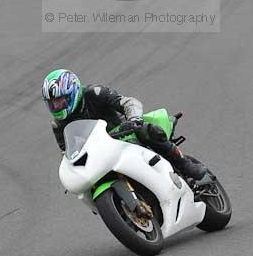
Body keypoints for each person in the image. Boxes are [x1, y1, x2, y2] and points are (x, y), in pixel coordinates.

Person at [42, 69, 210, 184]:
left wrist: (134, 119)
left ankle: (185, 165)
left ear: (72, 92)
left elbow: (128, 102)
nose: (56, 106)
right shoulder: (58, 125)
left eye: (59, 100)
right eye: (52, 103)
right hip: (99, 153)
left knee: (148, 131)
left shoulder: (95, 93)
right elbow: (67, 152)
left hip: (124, 133)